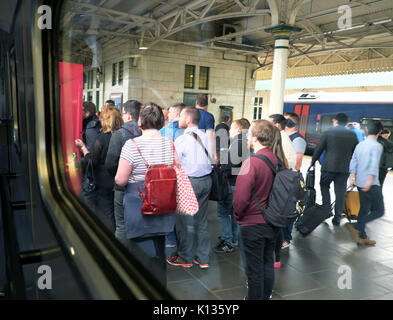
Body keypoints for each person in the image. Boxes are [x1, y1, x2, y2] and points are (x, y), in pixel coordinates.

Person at [115, 102, 175, 287]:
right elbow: (176, 169)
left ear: (141, 121)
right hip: (164, 204)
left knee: (141, 255)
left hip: (139, 205)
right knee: (159, 250)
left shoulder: (131, 145)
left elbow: (120, 180)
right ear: (161, 121)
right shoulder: (169, 143)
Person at [233, 120, 280, 300]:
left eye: (248, 136)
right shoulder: (276, 159)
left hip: (253, 223)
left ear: (254, 138)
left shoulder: (251, 163)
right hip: (272, 221)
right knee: (268, 261)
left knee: (254, 270)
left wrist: (238, 215)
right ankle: (266, 295)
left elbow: (240, 198)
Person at [167, 107, 213, 268]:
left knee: (184, 223)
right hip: (206, 181)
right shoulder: (206, 137)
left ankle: (185, 258)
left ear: (188, 120)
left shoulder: (182, 139)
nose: (178, 119)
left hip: (189, 183)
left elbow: (171, 162)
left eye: (180, 116)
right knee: (202, 222)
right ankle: (203, 258)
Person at [76, 106, 123, 233]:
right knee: (113, 214)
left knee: (104, 215)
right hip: (118, 181)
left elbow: (92, 160)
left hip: (102, 182)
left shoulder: (102, 138)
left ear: (106, 120)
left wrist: (83, 148)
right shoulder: (122, 137)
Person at [105, 100, 142, 248]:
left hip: (123, 186)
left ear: (127, 115)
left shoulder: (119, 135)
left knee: (122, 225)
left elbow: (110, 163)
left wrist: (118, 176)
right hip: (142, 185)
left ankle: (121, 256)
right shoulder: (145, 133)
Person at [311, 113, 358, 226]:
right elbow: (354, 152)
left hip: (328, 167)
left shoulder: (328, 132)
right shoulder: (352, 135)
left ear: (335, 121)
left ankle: (326, 209)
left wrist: (313, 162)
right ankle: (337, 217)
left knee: (324, 186)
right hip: (343, 168)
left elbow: (319, 149)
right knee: (340, 192)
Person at [214, 119, 250, 254]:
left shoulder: (237, 144)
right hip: (239, 183)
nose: (229, 131)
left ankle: (227, 241)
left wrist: (220, 169)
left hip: (231, 184)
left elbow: (229, 167)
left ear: (239, 130)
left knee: (223, 213)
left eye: (232, 128)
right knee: (235, 214)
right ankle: (234, 239)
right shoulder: (244, 142)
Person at [347, 120, 384, 245]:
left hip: (360, 182)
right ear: (380, 132)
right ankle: (358, 225)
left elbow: (353, 162)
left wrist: (353, 178)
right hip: (371, 183)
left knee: (364, 208)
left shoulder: (360, 144)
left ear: (366, 130)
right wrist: (369, 182)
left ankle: (362, 236)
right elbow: (373, 166)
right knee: (379, 211)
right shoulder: (377, 146)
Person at [159, 102, 186, 250]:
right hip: (184, 177)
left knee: (168, 210)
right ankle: (183, 241)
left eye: (169, 112)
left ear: (176, 114)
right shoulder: (190, 132)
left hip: (167, 176)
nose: (167, 115)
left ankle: (171, 239)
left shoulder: (163, 131)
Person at [282, 112, 306, 248]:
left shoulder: (297, 140)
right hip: (284, 177)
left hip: (291, 179)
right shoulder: (286, 137)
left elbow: (297, 163)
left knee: (289, 208)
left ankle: (286, 238)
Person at [195, 93, 216, 158]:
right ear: (207, 104)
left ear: (196, 102)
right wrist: (214, 154)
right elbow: (210, 136)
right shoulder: (209, 116)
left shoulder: (189, 113)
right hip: (202, 150)